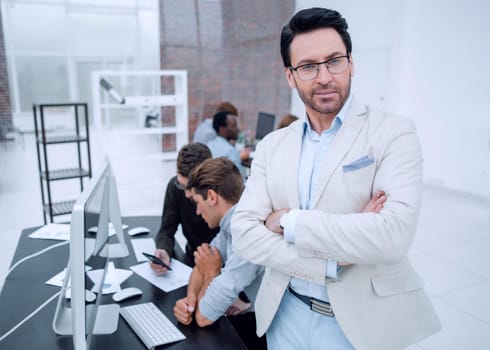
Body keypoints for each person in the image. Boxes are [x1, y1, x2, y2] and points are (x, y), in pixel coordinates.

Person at [231, 7, 441, 350]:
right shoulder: (272, 145)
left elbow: (392, 236)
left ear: (351, 63)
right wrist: (329, 262)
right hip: (285, 314)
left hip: (359, 327)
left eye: (334, 61)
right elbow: (244, 234)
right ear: (290, 75)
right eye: (308, 66)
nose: (325, 76)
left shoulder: (394, 133)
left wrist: (288, 221)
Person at [173, 157, 266, 350]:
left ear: (212, 197)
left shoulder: (245, 235)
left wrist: (211, 274)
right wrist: (191, 301)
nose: (197, 211)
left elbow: (204, 317)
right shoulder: (231, 224)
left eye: (197, 202)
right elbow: (202, 264)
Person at [151, 143, 219, 273]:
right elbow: (166, 230)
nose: (187, 194)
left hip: (221, 267)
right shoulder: (175, 188)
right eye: (182, 185)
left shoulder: (223, 195)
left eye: (191, 187)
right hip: (191, 260)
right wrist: (163, 250)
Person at [206, 110, 250, 178]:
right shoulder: (231, 151)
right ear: (222, 129)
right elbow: (239, 183)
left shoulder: (209, 145)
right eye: (234, 126)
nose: (238, 129)